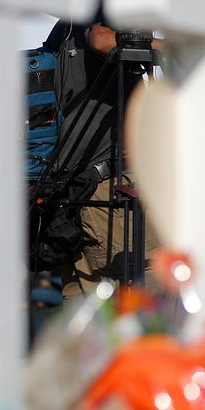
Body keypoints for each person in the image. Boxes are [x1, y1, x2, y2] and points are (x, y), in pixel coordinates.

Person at [47, 16, 161, 299]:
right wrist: (181, 47)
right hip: (109, 190)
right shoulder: (106, 10)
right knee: (138, 295)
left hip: (73, 187)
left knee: (84, 302)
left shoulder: (65, 28)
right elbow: (102, 40)